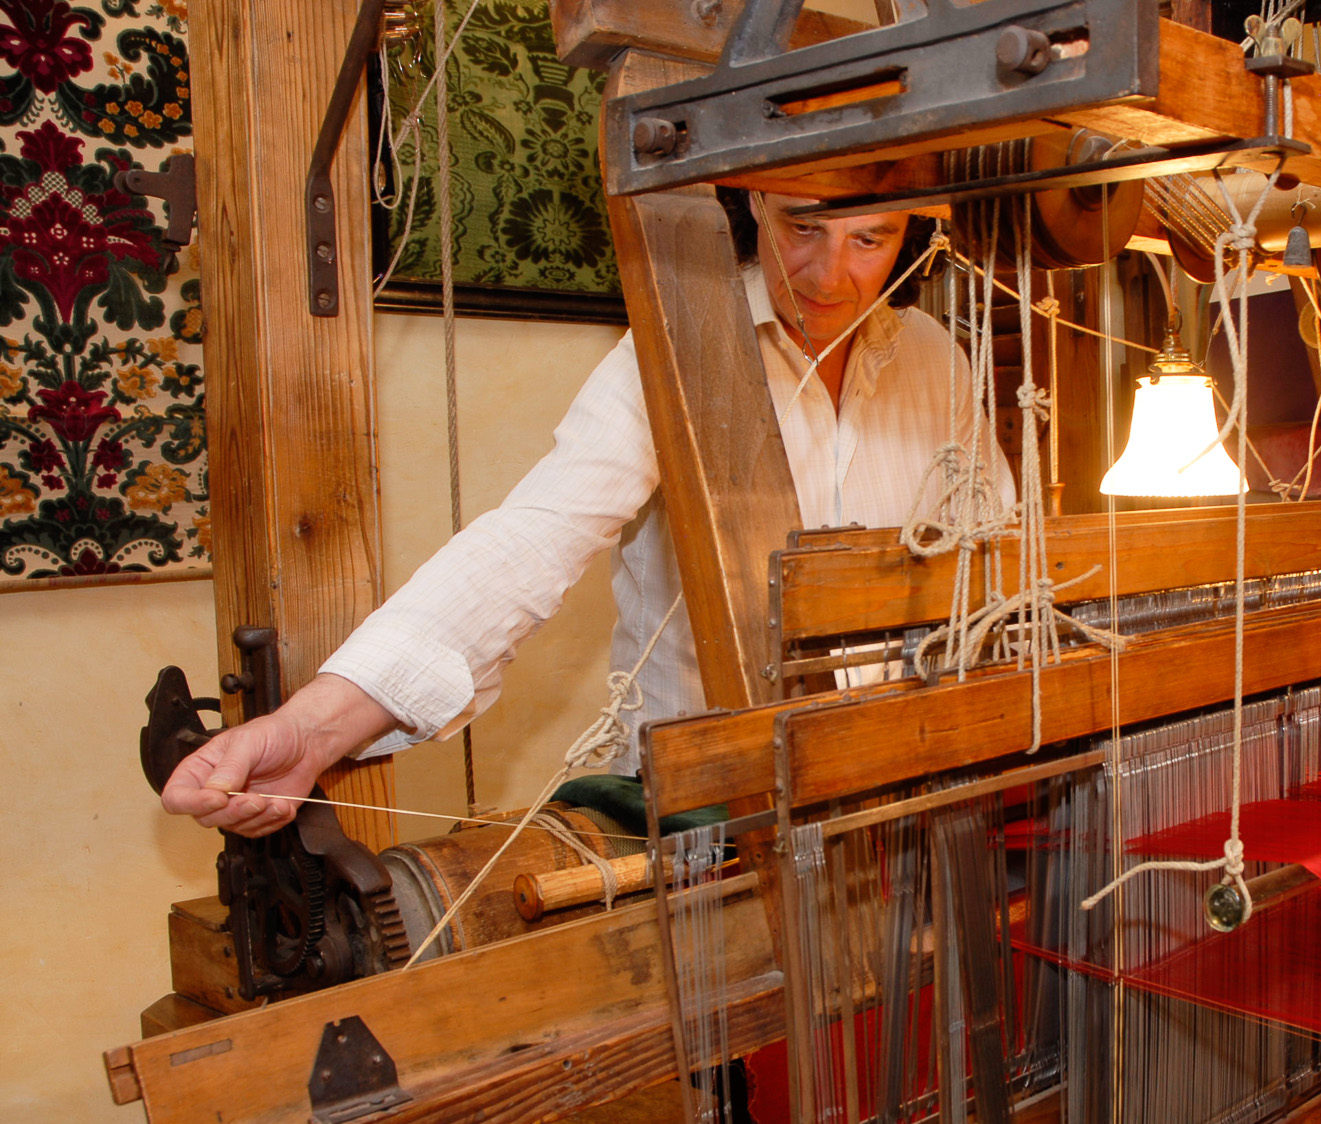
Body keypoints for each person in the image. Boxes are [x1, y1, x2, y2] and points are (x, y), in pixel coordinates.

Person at [161, 190, 1013, 836]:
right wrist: (313, 727)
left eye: (871, 238)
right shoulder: (675, 349)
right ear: (754, 196)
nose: (833, 275)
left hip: (892, 793)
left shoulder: (934, 361)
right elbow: (538, 534)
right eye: (803, 228)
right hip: (701, 814)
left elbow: (998, 557)